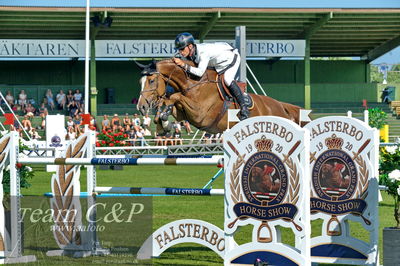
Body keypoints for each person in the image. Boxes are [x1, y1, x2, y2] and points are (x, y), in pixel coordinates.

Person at [173, 32, 249, 120]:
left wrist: (183, 65)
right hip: (218, 62)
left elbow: (199, 73)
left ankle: (244, 107)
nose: (180, 52)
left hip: (231, 58)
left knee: (227, 79)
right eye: (179, 50)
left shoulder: (203, 53)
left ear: (190, 46)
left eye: (182, 49)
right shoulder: (192, 52)